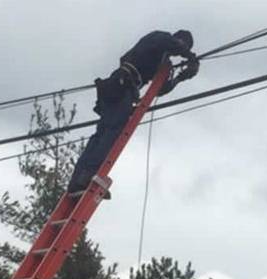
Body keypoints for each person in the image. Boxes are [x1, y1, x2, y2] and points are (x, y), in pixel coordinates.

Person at [67, 30, 199, 194]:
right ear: (179, 40)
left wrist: (181, 77)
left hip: (118, 87)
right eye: (183, 45)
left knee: (101, 134)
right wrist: (191, 57)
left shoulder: (161, 60)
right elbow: (168, 42)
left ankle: (78, 180)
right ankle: (87, 176)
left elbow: (159, 89)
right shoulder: (159, 38)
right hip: (122, 86)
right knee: (111, 133)